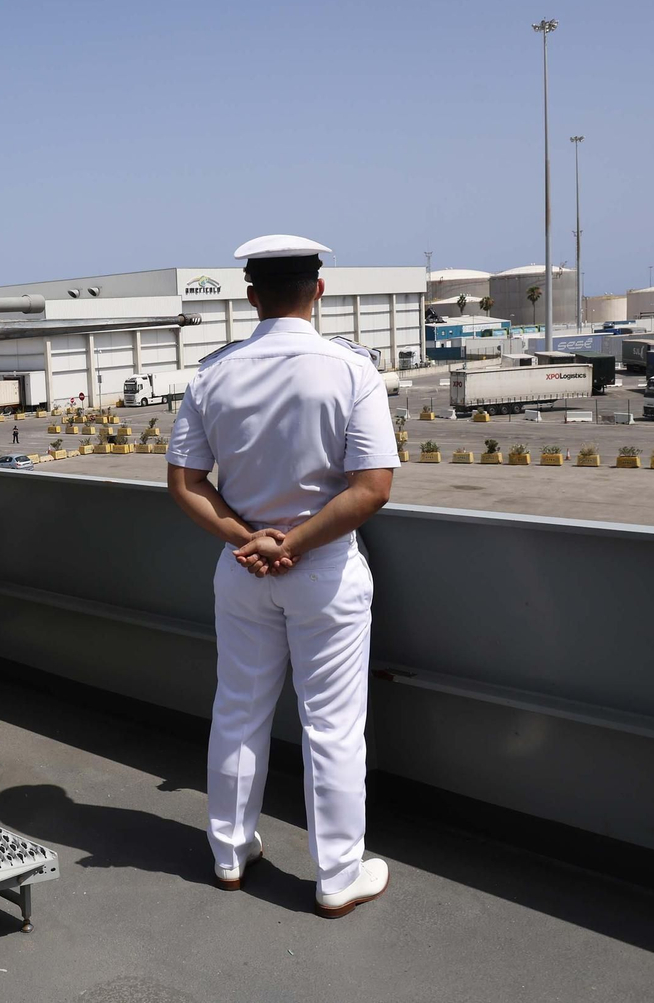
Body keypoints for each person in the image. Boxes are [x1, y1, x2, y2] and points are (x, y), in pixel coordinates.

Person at [165, 234, 398, 918]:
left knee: (238, 710)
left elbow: (184, 482)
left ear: (250, 297)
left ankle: (230, 855)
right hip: (325, 571)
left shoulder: (214, 373)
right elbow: (373, 488)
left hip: (241, 571)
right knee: (331, 727)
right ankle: (336, 876)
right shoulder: (352, 370)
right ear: (318, 291)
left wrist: (252, 540)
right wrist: (294, 542)